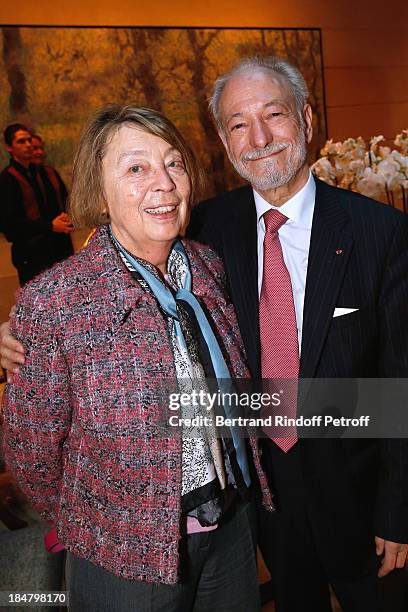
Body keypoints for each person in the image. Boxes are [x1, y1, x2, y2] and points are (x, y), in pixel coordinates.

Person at [1, 105, 272, 612]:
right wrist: (96, 524)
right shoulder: (56, 303)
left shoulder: (207, 267)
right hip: (123, 557)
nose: (164, 183)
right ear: (99, 196)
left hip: (230, 528)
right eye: (136, 168)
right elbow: (30, 450)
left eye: (174, 163)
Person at [185, 57, 408, 611]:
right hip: (263, 504)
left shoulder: (380, 232)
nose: (258, 138)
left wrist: (399, 509)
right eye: (238, 123)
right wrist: (29, 332)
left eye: (274, 115)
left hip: (364, 502)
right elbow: (123, 275)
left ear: (306, 118)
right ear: (222, 137)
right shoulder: (203, 230)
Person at [0, 123, 73, 285]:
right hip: (30, 255)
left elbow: (56, 205)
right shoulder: (7, 179)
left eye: (28, 140)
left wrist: (65, 217)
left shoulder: (41, 172)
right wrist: (49, 226)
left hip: (55, 249)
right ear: (9, 148)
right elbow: (9, 226)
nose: (28, 145)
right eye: (21, 141)